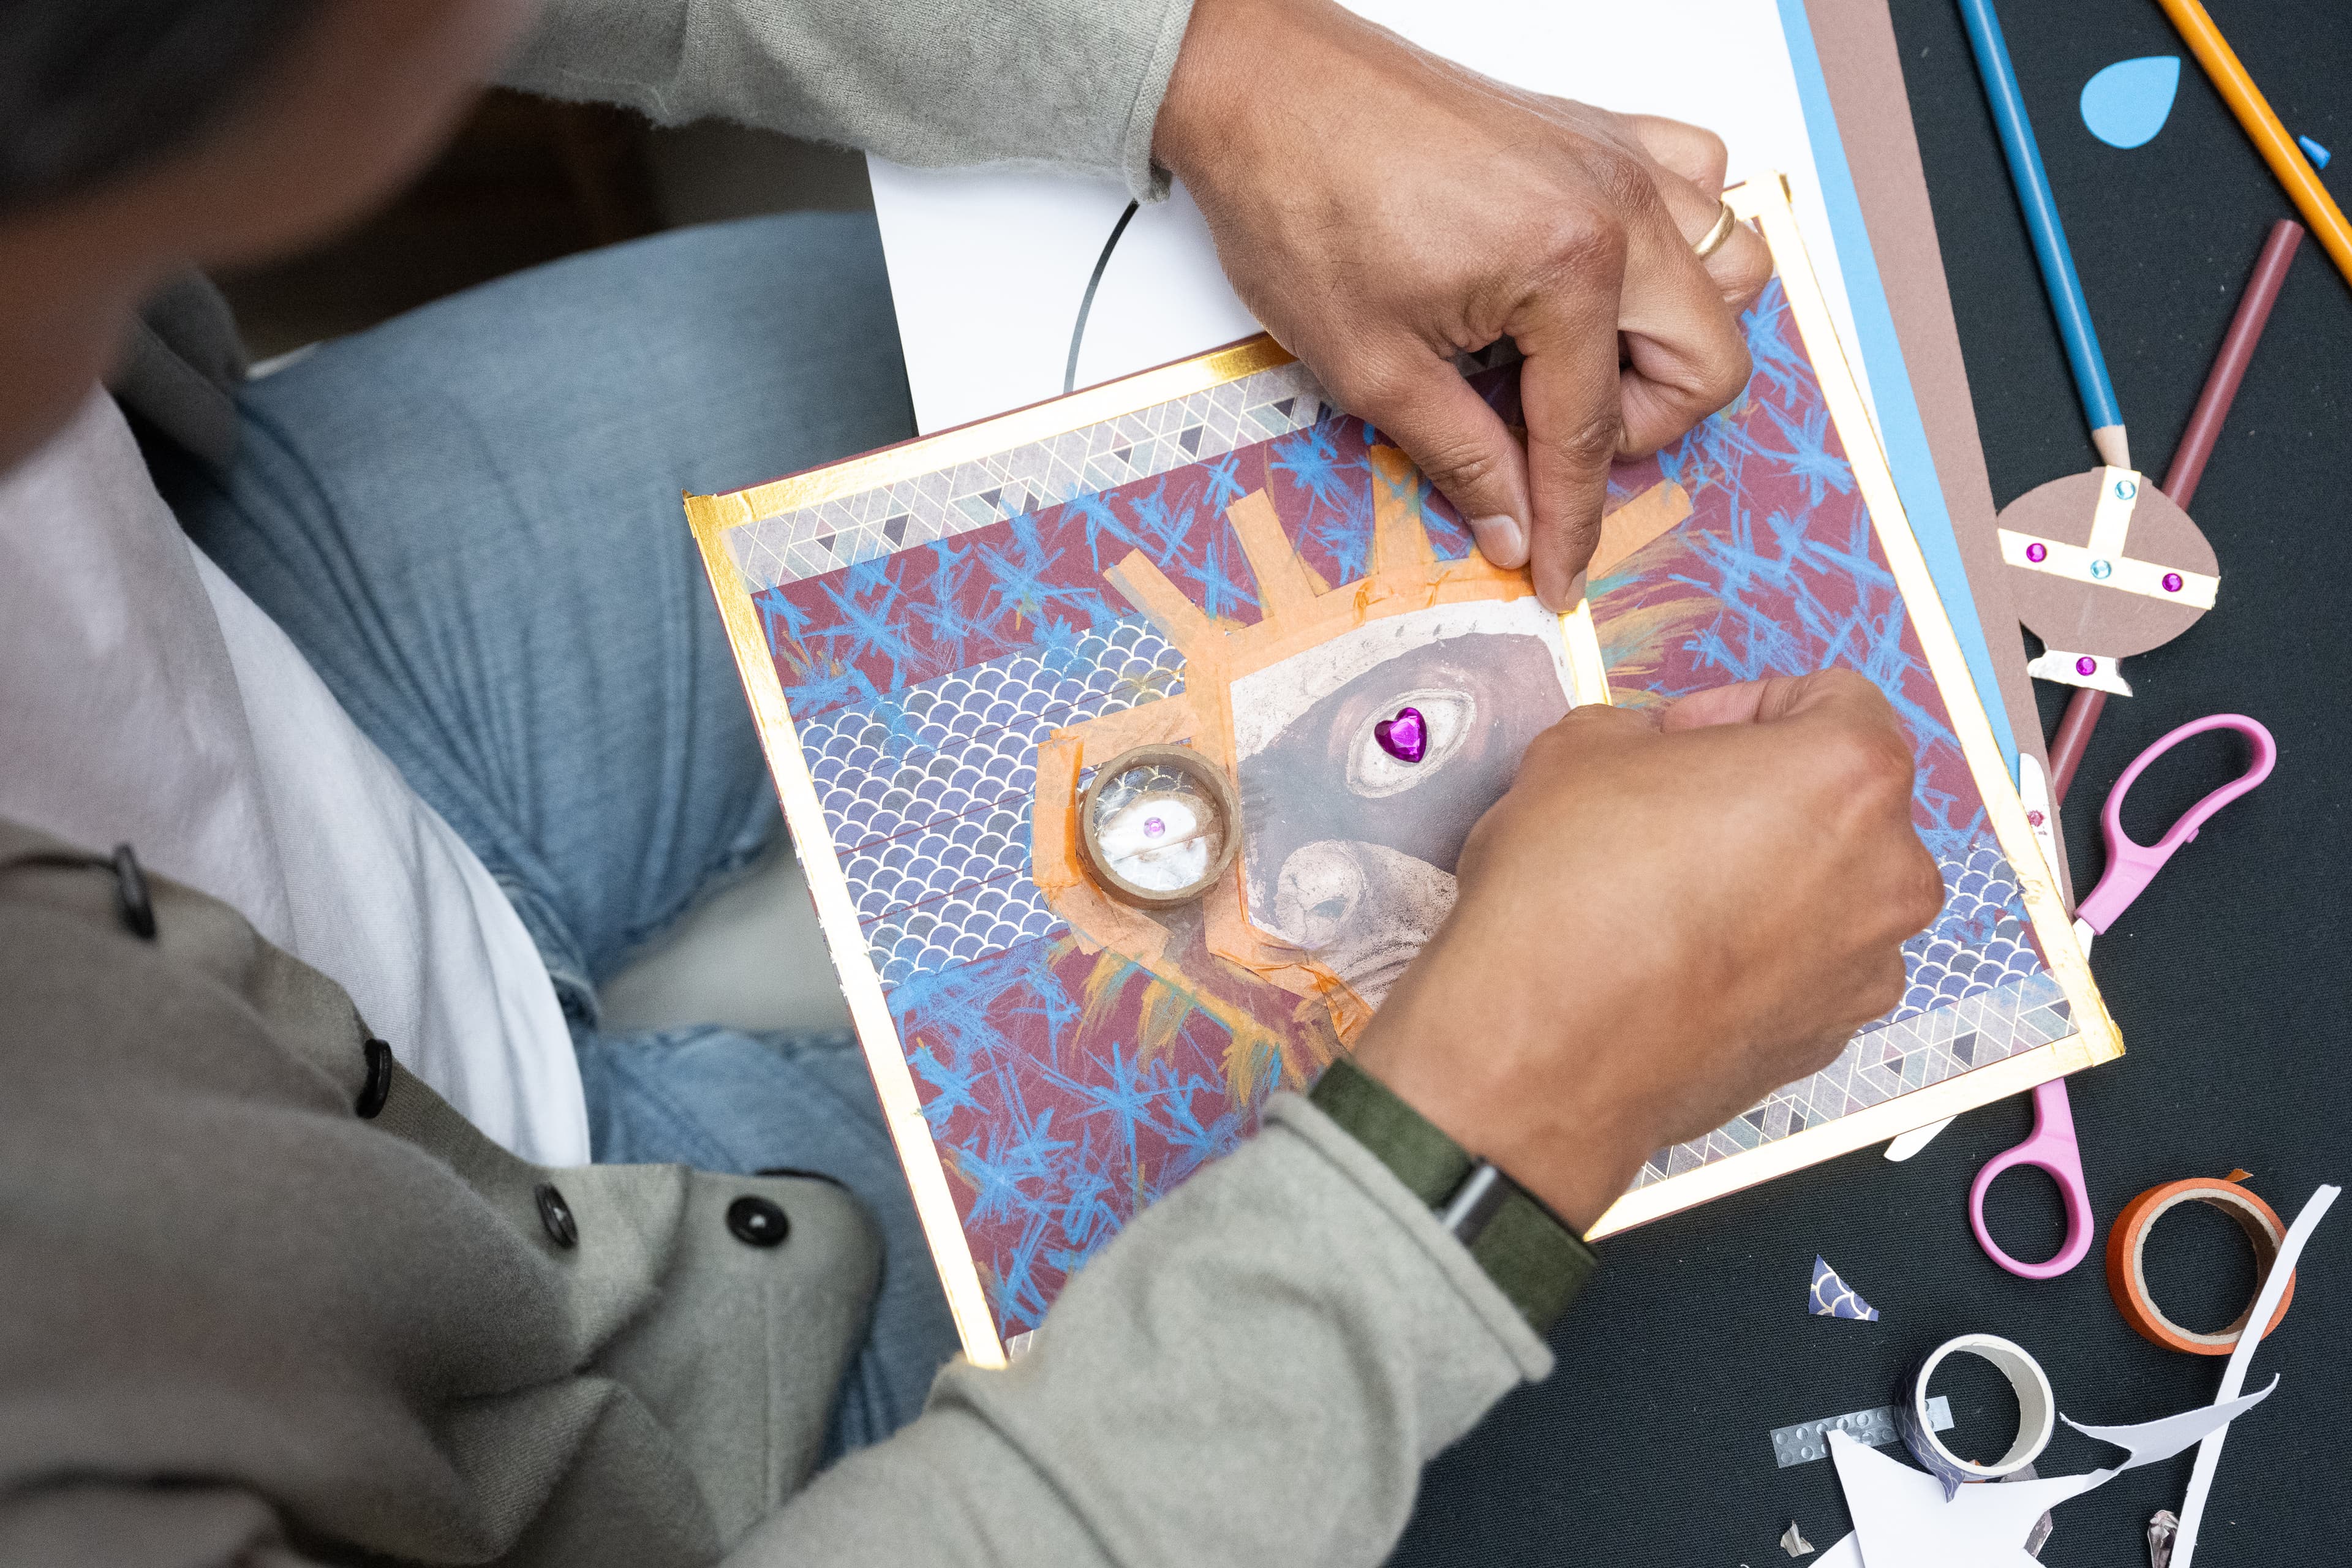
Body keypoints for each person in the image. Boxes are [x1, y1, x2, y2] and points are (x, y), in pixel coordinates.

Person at [0, 1, 1942, 1564]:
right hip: (543, 1462)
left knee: (925, 339)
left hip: (281, 671)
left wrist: (1202, 60)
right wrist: (1481, 1144)